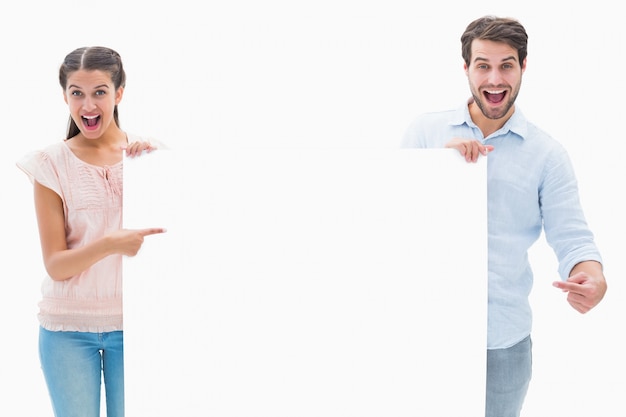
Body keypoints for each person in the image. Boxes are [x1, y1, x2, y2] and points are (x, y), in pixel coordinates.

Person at [401, 16, 607, 417]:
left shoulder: (548, 155)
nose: (494, 79)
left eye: (506, 65)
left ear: (523, 66)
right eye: (483, 65)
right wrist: (437, 171)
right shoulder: (425, 134)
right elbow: (388, 222)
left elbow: (574, 238)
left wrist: (593, 277)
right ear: (466, 69)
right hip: (425, 331)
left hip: (503, 345)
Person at [17, 46, 166, 417]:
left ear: (119, 93)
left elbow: (174, 249)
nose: (88, 104)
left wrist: (153, 171)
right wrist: (109, 243)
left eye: (99, 91)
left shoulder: (150, 157)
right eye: (76, 93)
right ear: (65, 96)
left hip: (139, 326)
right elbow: (56, 264)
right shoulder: (50, 164)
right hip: (67, 332)